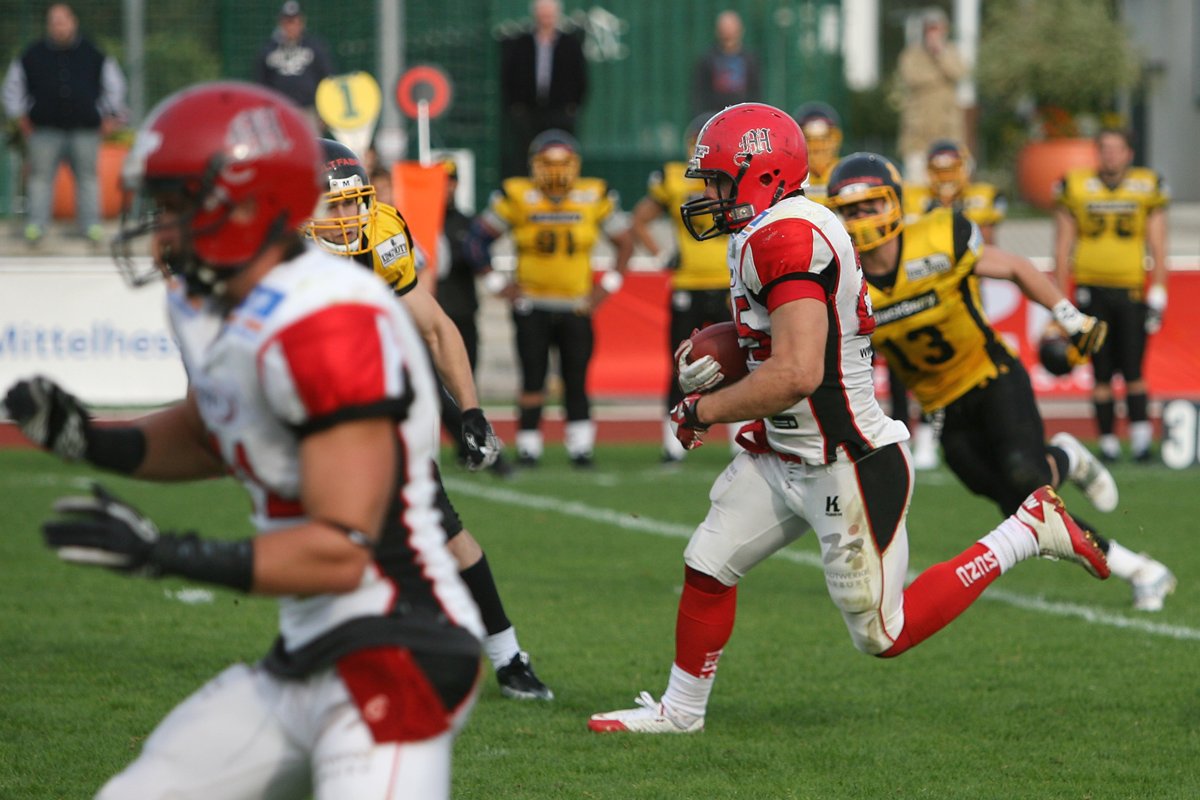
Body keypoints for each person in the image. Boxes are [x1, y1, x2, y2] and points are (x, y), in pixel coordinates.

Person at [3, 81, 482, 798]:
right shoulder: (208, 301)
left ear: (250, 207)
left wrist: (164, 553)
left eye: (177, 206)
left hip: (400, 647)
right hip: (308, 652)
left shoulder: (330, 321)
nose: (160, 229)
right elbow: (208, 433)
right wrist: (90, 441)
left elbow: (340, 550)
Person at [589, 103, 1109, 736]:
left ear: (762, 175)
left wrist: (702, 408)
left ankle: (1027, 529)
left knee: (882, 635)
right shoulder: (771, 228)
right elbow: (783, 340)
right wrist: (728, 344)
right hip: (784, 451)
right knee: (708, 563)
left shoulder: (785, 237)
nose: (710, 196)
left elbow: (796, 372)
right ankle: (680, 711)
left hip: (846, 460)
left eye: (721, 180)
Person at [825, 151, 1175, 612]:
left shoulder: (937, 238)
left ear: (894, 201)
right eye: (850, 210)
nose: (861, 218)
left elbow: (1014, 267)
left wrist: (1069, 317)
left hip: (991, 376)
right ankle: (1132, 557)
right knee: (1022, 510)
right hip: (942, 406)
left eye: (869, 204)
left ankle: (1088, 492)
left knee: (1028, 481)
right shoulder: (843, 281)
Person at [303, 138, 552, 699]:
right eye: (332, 204)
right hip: (313, 412)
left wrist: (471, 410)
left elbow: (436, 328)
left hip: (383, 401)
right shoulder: (275, 255)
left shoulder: (381, 235)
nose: (346, 216)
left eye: (353, 201)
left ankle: (506, 655)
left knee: (442, 531)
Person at [466, 129, 633, 468]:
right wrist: (499, 284)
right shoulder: (519, 195)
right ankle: (529, 446)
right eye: (547, 163)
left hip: (576, 305)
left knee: (576, 379)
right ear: (533, 165)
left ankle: (580, 448)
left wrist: (606, 287)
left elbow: (625, 242)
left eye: (562, 163)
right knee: (532, 378)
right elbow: (475, 241)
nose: (555, 172)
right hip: (533, 303)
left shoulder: (592, 194)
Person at [1054, 128, 1170, 464]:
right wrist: (1060, 299)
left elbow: (1158, 242)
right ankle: (1107, 443)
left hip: (1131, 288)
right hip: (1091, 288)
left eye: (1117, 148)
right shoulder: (1076, 185)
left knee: (1134, 369)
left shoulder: (1147, 185)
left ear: (1129, 153)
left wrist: (1159, 290)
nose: (1110, 155)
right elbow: (1062, 245)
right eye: (1104, 148)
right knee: (1101, 371)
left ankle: (1141, 441)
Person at [629, 112, 735, 463]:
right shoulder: (674, 177)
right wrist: (661, 255)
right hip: (687, 282)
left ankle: (741, 438)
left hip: (728, 282)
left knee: (743, 360)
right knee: (679, 362)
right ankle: (672, 441)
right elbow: (639, 219)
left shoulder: (735, 174)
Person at [2, 3, 126, 247]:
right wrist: (19, 116)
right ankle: (36, 226)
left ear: (73, 22)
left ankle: (90, 226)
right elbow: (12, 88)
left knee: (87, 178)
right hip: (44, 129)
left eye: (63, 21)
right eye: (54, 21)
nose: (59, 26)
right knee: (40, 178)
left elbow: (115, 85)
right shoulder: (32, 54)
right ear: (48, 25)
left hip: (85, 129)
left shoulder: (93, 52)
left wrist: (111, 115)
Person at [499, 0, 588, 178]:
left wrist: (572, 106)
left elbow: (580, 77)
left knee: (559, 151)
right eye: (542, 13)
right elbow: (509, 75)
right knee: (527, 153)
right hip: (529, 111)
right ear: (535, 15)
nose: (546, 17)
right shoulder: (521, 43)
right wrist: (516, 105)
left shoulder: (570, 43)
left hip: (560, 111)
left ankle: (561, 184)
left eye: (549, 13)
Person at [894, 8, 967, 184]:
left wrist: (940, 55)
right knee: (917, 180)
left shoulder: (951, 52)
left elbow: (958, 73)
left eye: (937, 29)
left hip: (947, 129)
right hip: (918, 132)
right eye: (930, 29)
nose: (933, 34)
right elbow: (912, 77)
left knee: (949, 181)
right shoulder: (912, 54)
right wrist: (940, 77)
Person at [905, 139, 1007, 244]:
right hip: (928, 251)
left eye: (951, 170)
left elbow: (986, 241)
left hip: (970, 252)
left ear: (966, 168)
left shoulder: (982, 195)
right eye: (939, 171)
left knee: (985, 229)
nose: (945, 177)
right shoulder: (915, 195)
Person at [253, 1, 334, 133]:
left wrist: (326, 111)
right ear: (281, 23)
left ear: (301, 23)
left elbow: (327, 79)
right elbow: (261, 84)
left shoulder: (314, 47)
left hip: (307, 110)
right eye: (288, 22)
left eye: (295, 22)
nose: (291, 27)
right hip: (278, 112)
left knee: (311, 143)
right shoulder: (269, 49)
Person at [691, 10, 761, 115]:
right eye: (724, 27)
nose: (727, 31)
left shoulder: (749, 59)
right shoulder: (708, 59)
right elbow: (700, 92)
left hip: (743, 113)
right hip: (715, 113)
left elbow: (755, 90)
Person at [790, 101, 842, 206]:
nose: (818, 146)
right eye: (810, 139)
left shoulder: (846, 171)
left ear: (836, 138)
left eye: (824, 139)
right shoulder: (791, 176)